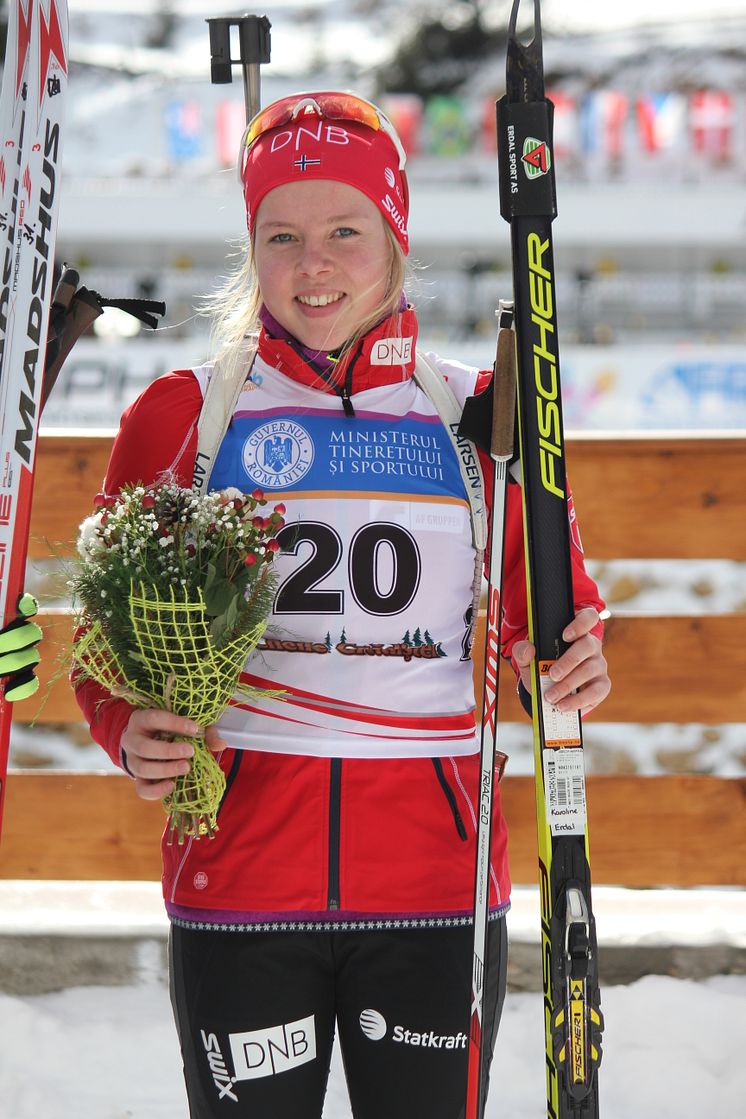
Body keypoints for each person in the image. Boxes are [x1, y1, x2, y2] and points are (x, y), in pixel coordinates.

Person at [75, 91, 610, 1119]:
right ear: (250, 246)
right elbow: (107, 642)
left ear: (393, 237)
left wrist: (572, 659)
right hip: (240, 881)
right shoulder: (189, 412)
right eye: (280, 236)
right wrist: (127, 728)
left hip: (433, 889)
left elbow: (553, 621)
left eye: (341, 233)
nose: (310, 265)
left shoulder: (480, 412)